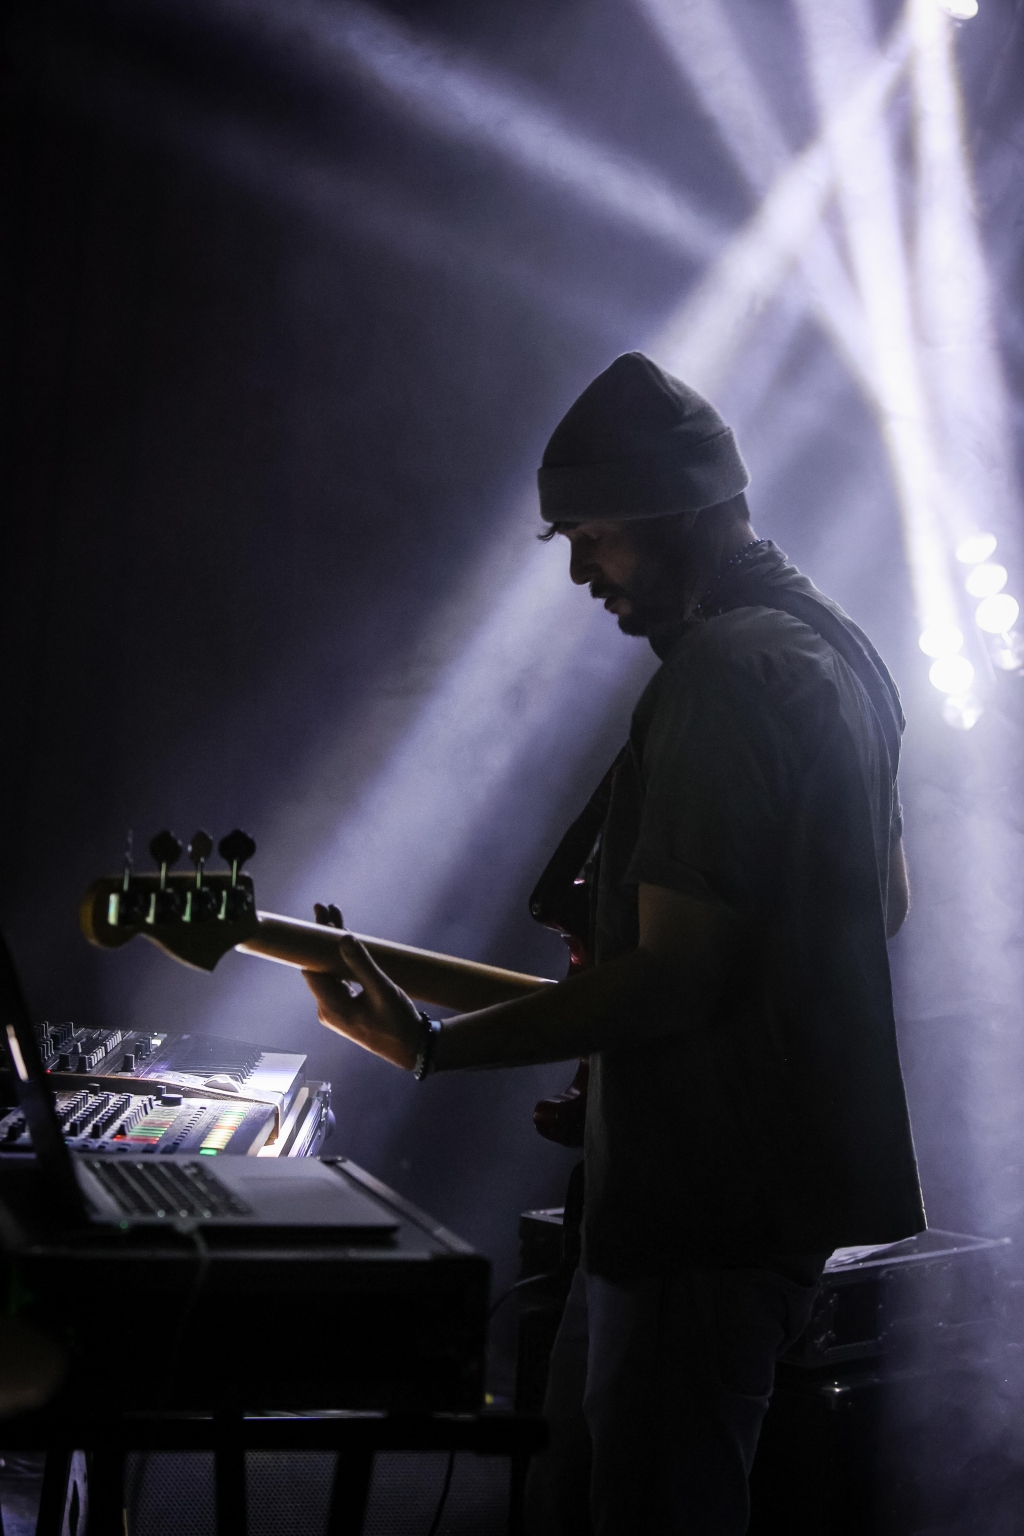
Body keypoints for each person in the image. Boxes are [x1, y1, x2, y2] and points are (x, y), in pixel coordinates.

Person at [302, 353, 926, 1535]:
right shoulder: (840, 645)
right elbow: (878, 906)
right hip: (743, 1208)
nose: (580, 569)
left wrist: (428, 1047)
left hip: (700, 1205)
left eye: (594, 537)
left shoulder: (724, 674)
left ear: (672, 513)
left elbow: (677, 978)